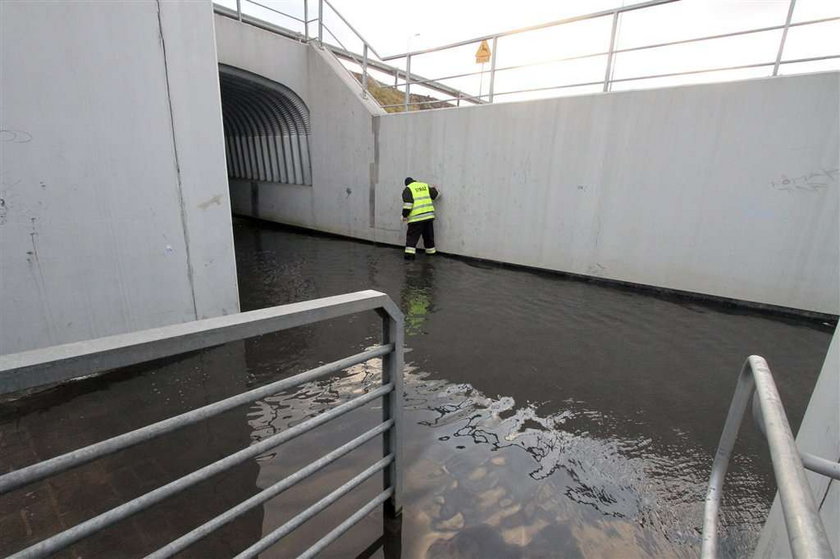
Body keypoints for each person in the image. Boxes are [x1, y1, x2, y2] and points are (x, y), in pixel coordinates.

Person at [401, 177, 440, 260]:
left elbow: (408, 205)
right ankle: (431, 255)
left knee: (412, 238)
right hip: (428, 217)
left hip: (416, 219)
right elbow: (436, 195)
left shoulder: (408, 189)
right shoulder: (424, 185)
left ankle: (409, 257)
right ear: (414, 181)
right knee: (428, 237)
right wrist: (435, 189)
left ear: (407, 184)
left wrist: (404, 216)